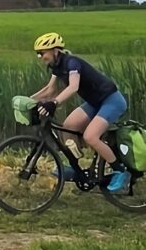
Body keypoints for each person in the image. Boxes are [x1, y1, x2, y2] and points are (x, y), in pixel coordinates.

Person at [29, 32, 130, 192]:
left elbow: (73, 87)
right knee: (69, 126)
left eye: (42, 53)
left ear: (55, 51)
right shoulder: (56, 66)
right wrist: (28, 101)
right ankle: (75, 167)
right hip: (95, 102)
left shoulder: (72, 63)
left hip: (111, 100)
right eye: (38, 54)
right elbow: (50, 89)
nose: (40, 57)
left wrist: (54, 103)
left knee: (90, 136)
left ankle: (120, 171)